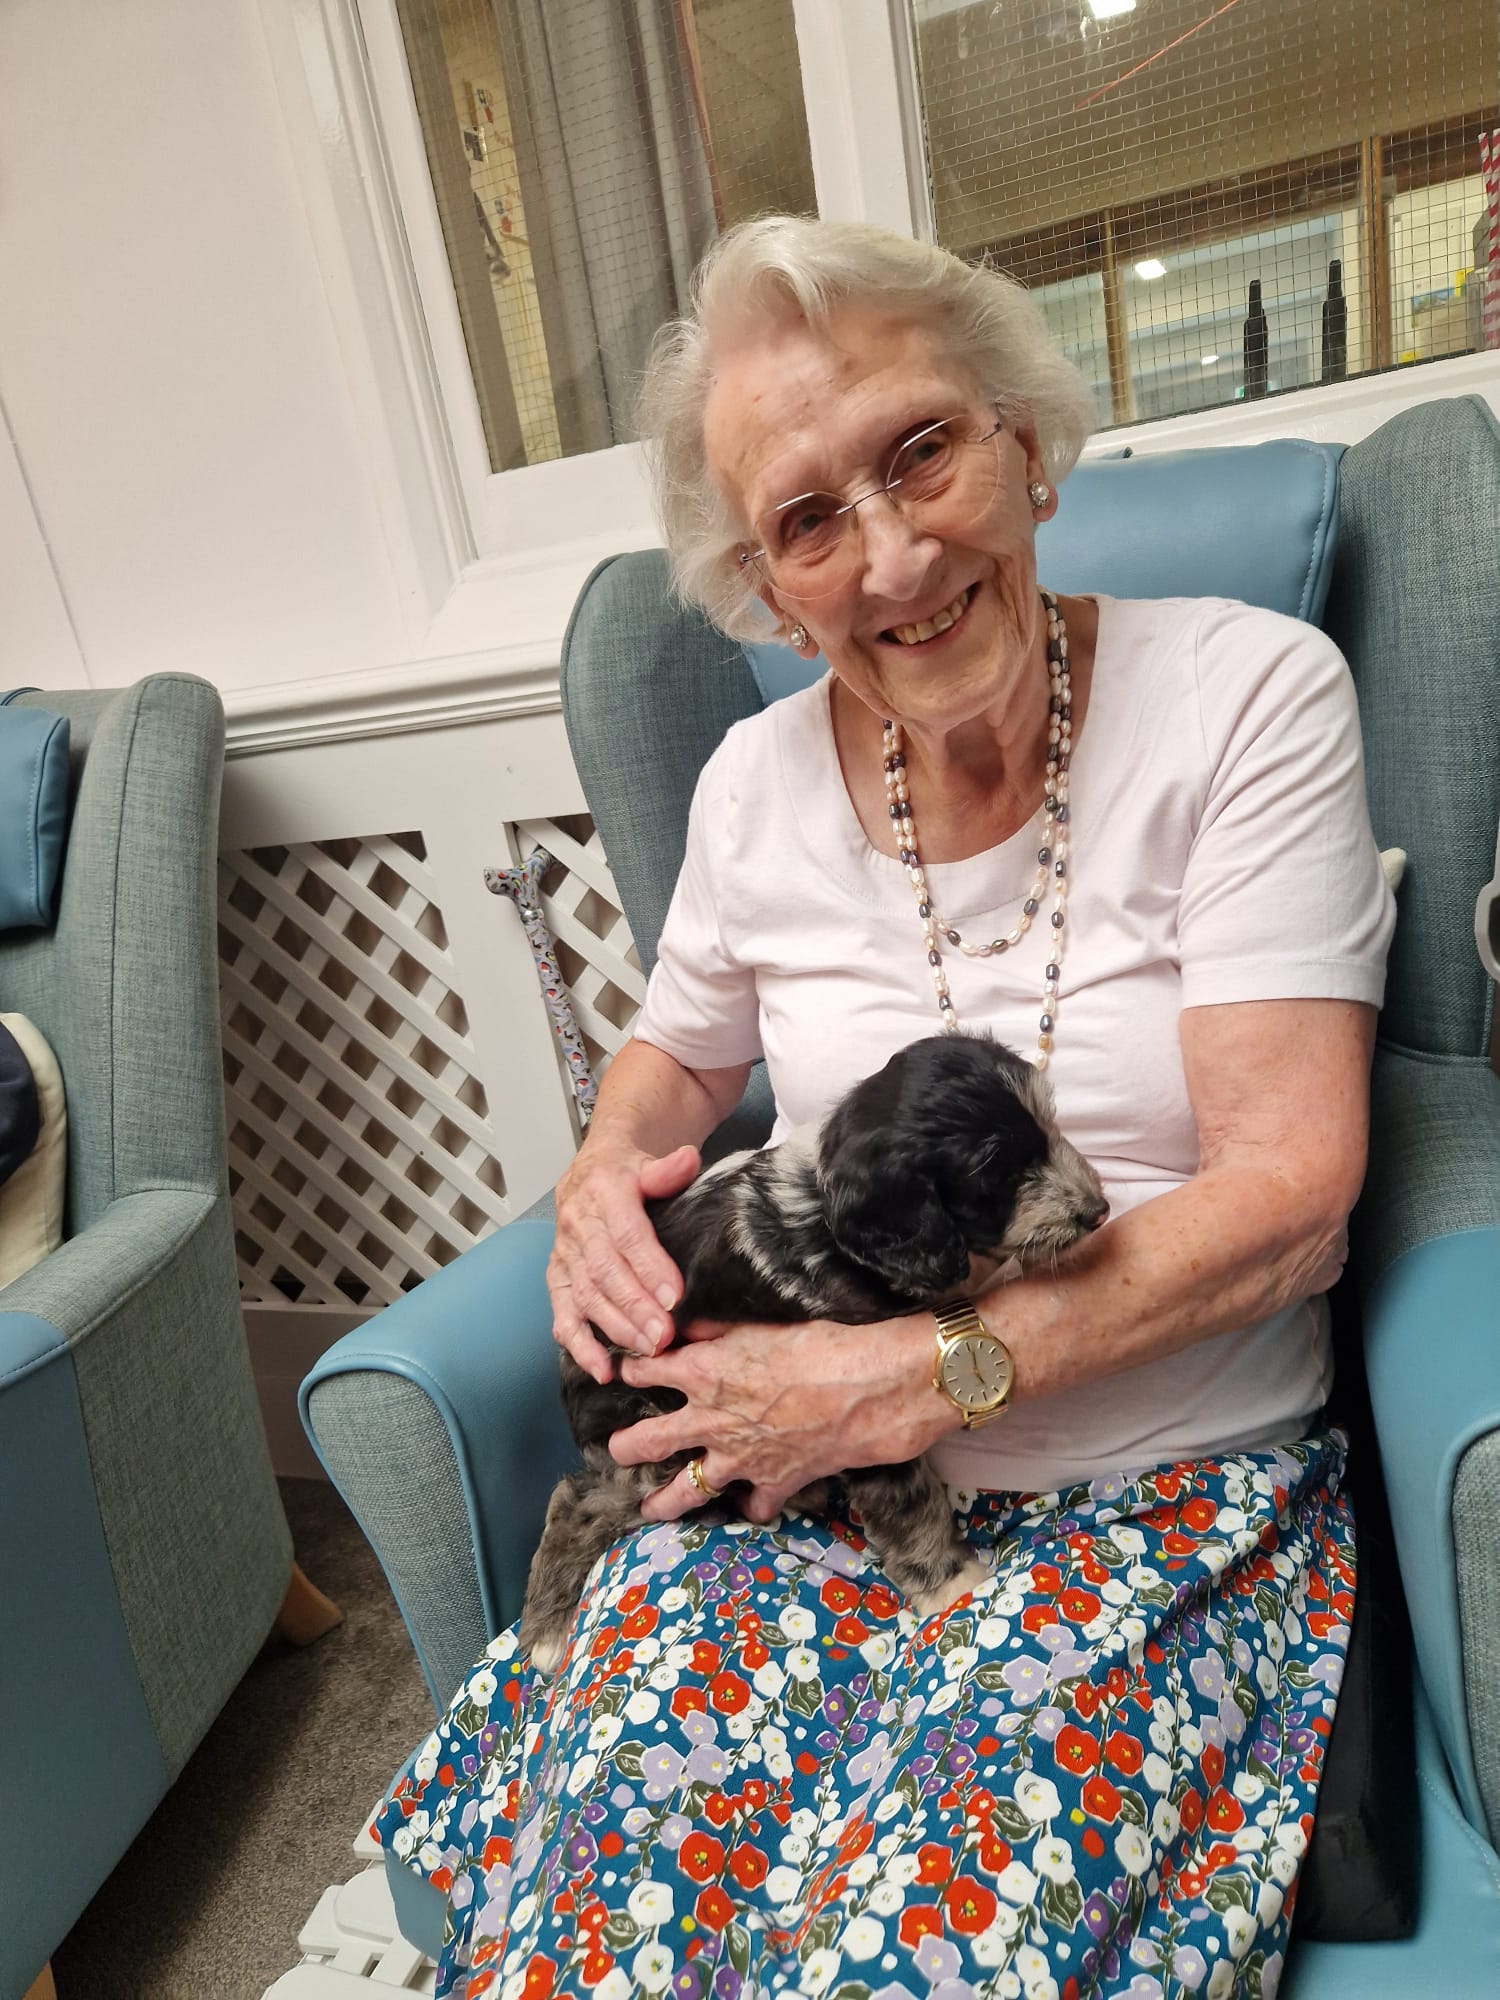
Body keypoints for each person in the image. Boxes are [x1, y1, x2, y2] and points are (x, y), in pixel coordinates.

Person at [375, 216, 1393, 2000]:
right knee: (593, 1935)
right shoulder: (755, 787)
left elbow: (1297, 1192)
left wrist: (907, 1382)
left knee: (906, 1959)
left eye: (922, 447)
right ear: (768, 590)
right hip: (798, 1496)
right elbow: (672, 1058)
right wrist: (607, 1175)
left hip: (1155, 1497)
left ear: (1026, 441)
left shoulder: (1248, 697)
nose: (896, 552)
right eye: (808, 518)